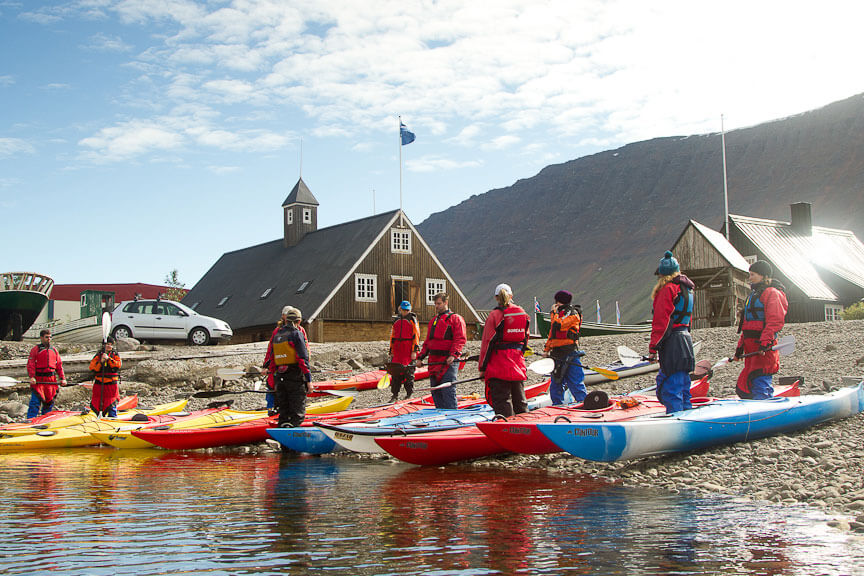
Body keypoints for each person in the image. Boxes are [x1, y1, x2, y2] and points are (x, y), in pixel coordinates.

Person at [648, 250, 696, 413]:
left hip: (672, 342)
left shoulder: (668, 289)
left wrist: (653, 348)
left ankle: (677, 419)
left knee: (671, 387)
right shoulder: (687, 289)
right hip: (686, 339)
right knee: (683, 384)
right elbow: (687, 319)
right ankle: (688, 415)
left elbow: (661, 321)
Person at [734, 260, 788, 399]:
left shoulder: (772, 293)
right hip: (751, 347)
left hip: (764, 347)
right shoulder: (753, 294)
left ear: (763, 276)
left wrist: (765, 342)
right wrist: (740, 347)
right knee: (747, 382)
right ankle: (754, 409)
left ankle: (765, 408)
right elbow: (747, 325)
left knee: (760, 377)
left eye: (753, 274)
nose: (750, 278)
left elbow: (775, 321)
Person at [479, 284, 530, 417]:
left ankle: (506, 428)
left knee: (502, 401)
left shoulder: (494, 315)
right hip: (517, 364)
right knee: (520, 401)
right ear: (511, 296)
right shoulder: (522, 313)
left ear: (496, 298)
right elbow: (525, 340)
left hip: (499, 366)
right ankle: (526, 425)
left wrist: (482, 368)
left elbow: (487, 343)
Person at [416, 292, 467, 409]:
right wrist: (420, 357)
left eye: (439, 303)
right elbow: (428, 342)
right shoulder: (433, 320)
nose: (436, 306)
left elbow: (460, 339)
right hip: (434, 362)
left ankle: (452, 418)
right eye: (435, 304)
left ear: (446, 303)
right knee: (436, 392)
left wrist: (453, 355)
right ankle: (440, 416)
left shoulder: (456, 319)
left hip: (447, 362)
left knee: (448, 392)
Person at [264, 306, 312, 427]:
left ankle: (283, 438)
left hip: (279, 378)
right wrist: (309, 380)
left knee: (284, 412)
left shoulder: (277, 334)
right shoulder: (296, 334)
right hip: (294, 376)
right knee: (297, 412)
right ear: (298, 321)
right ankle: (294, 438)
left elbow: (272, 358)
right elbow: (303, 359)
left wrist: (273, 379)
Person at [543, 289, 587, 405]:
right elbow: (552, 334)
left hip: (570, 352)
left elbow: (558, 325)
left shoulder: (573, 314)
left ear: (559, 301)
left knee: (576, 381)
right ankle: (557, 405)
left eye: (556, 302)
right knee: (556, 383)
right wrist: (546, 350)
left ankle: (584, 404)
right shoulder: (559, 314)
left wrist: (553, 313)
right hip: (556, 354)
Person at [26, 329, 67, 419]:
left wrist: (62, 378)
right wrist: (32, 377)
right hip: (39, 380)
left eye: (50, 337)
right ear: (41, 338)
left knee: (49, 402)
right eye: (46, 337)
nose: (49, 339)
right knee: (35, 402)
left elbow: (59, 365)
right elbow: (31, 363)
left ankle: (45, 420)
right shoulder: (36, 349)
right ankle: (30, 420)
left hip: (51, 381)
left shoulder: (54, 350)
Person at [387, 300, 420, 403]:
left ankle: (409, 394)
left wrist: (414, 350)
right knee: (395, 373)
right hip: (397, 350)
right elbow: (393, 336)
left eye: (407, 310)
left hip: (408, 350)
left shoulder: (412, 320)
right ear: (400, 309)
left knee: (408, 373)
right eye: (403, 310)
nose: (405, 312)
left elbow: (416, 336)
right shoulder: (396, 321)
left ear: (409, 310)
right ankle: (394, 395)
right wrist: (391, 350)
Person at [88, 335, 122, 417]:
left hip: (111, 384)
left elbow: (118, 365)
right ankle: (97, 417)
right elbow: (92, 367)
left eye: (110, 344)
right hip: (100, 383)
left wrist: (108, 359)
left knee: (111, 402)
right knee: (97, 401)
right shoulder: (98, 355)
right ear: (103, 345)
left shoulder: (115, 354)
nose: (109, 346)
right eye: (107, 344)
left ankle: (113, 417)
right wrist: (101, 361)